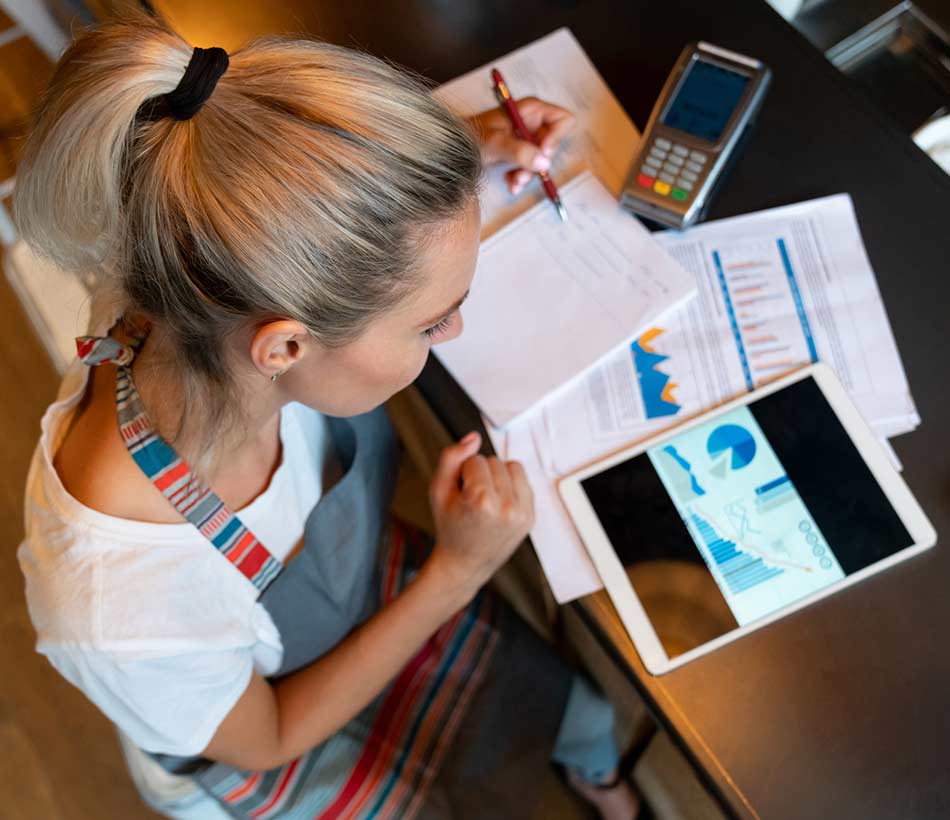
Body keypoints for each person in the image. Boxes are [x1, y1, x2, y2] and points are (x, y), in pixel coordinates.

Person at [15, 12, 641, 820]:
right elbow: (269, 737)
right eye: (430, 322)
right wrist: (456, 572)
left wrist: (438, 170)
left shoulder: (185, 279)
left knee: (572, 712)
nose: (452, 331)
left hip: (352, 585)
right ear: (283, 348)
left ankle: (590, 774)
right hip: (265, 731)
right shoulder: (121, 605)